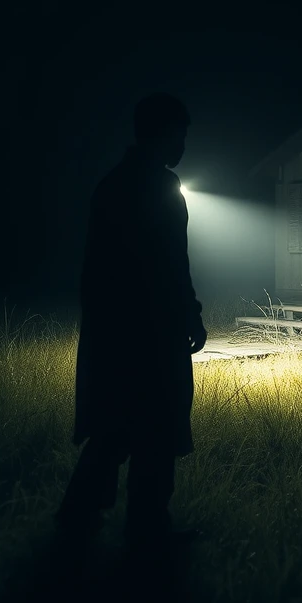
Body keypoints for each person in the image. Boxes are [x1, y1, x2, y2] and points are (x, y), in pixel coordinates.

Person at [56, 92, 208, 546]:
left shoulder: (111, 185)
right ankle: (147, 528)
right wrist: (190, 317)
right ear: (161, 134)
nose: (182, 145)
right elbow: (172, 265)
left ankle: (77, 521)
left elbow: (94, 271)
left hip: (113, 333)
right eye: (178, 135)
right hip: (153, 334)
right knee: (155, 433)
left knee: (113, 428)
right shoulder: (162, 188)